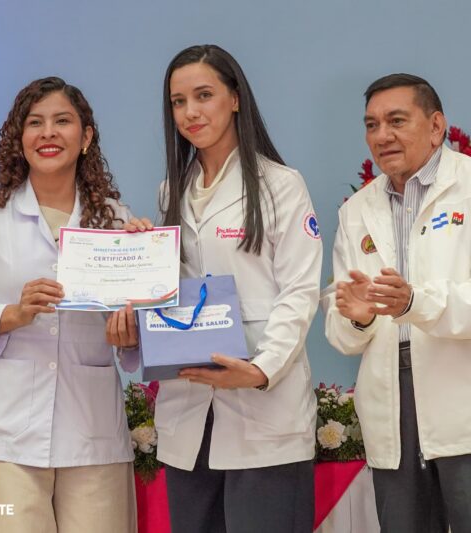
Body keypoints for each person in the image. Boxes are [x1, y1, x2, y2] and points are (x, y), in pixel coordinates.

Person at [107, 44, 322, 533]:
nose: (190, 112)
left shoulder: (281, 185)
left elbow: (299, 292)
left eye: (204, 95)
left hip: (263, 412)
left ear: (235, 98)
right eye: (178, 102)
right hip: (189, 413)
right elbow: (171, 296)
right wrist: (141, 269)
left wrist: (261, 370)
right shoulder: (171, 191)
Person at [322, 73, 471, 532]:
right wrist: (358, 319)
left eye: (397, 121)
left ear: (437, 126)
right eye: (372, 125)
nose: (382, 135)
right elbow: (343, 331)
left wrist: (413, 302)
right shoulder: (355, 210)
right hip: (392, 407)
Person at [0, 77, 137, 533]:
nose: (48, 133)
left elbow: (134, 330)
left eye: (62, 121)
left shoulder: (117, 221)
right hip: (0, 434)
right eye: (35, 123)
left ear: (86, 137)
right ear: (19, 137)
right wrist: (13, 314)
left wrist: (132, 330)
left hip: (90, 432)